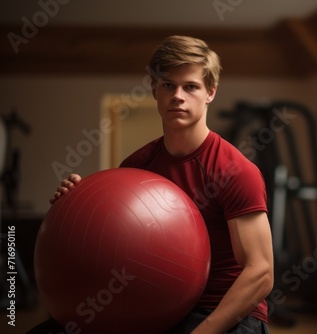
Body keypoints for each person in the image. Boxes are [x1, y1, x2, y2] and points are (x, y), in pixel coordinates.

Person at [48, 35, 274, 333]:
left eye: (190, 86)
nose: (178, 95)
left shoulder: (234, 171)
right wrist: (76, 204)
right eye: (168, 84)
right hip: (157, 308)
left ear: (210, 93)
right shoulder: (136, 167)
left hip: (224, 312)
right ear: (155, 89)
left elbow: (261, 272)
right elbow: (115, 242)